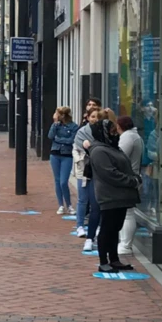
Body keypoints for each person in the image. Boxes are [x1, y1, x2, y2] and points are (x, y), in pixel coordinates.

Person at [85, 119, 141, 273]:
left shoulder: (112, 147)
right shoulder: (99, 150)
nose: (115, 133)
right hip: (110, 196)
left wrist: (133, 179)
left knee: (115, 228)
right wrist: (132, 181)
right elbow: (110, 174)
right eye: (111, 130)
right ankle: (104, 261)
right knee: (107, 228)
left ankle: (114, 259)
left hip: (121, 195)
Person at [73, 106, 100, 249]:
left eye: (98, 116)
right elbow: (77, 149)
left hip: (101, 173)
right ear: (88, 117)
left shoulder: (105, 132)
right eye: (93, 116)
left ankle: (94, 230)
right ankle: (80, 226)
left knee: (96, 204)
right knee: (83, 199)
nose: (96, 119)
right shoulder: (81, 133)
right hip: (84, 170)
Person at [117, 116, 144, 255]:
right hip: (131, 177)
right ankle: (124, 242)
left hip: (128, 178)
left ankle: (126, 244)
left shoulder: (128, 137)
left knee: (128, 212)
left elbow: (120, 156)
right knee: (125, 211)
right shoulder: (133, 136)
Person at [48, 106, 78, 215]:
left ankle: (69, 205)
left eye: (58, 114)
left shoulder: (74, 126)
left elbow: (71, 140)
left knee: (63, 181)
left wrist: (59, 139)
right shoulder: (56, 125)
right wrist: (55, 123)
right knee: (57, 180)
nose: (57, 115)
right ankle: (61, 205)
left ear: (64, 115)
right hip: (55, 154)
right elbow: (50, 136)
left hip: (67, 155)